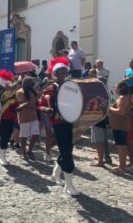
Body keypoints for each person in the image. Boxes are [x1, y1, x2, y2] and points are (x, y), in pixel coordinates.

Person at [39, 57, 81, 196]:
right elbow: (41, 105)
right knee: (67, 153)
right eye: (60, 71)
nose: (63, 73)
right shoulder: (51, 88)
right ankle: (68, 185)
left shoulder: (71, 86)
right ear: (55, 74)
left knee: (67, 150)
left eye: (65, 71)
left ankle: (55, 173)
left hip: (70, 122)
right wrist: (47, 110)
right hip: (59, 123)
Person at [0, 69, 18, 165]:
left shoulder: (12, 93)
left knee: (7, 137)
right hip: (0, 117)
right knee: (4, 136)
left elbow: (14, 103)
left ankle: (0, 152)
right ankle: (2, 156)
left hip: (10, 117)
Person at [109, 81, 132, 174]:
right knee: (122, 145)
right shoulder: (125, 97)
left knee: (121, 146)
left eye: (116, 87)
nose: (115, 88)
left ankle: (122, 167)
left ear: (120, 89)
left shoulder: (122, 98)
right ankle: (122, 165)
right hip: (122, 125)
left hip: (120, 125)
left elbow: (120, 112)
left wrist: (109, 108)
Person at [16, 77, 40, 160]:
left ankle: (29, 150)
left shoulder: (32, 91)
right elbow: (21, 105)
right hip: (24, 117)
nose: (32, 84)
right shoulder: (20, 92)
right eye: (30, 83)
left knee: (36, 135)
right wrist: (31, 104)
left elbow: (35, 102)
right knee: (24, 136)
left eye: (32, 83)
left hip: (34, 116)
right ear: (25, 83)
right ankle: (24, 153)